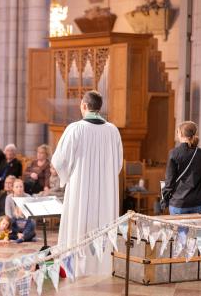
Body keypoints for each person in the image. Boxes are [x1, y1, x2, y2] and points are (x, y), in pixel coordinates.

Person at [52, 90, 122, 276]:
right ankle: (101, 266)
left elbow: (59, 161)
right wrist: (106, 178)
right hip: (105, 191)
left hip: (79, 188)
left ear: (84, 105)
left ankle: (77, 267)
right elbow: (118, 163)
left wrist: (66, 177)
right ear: (100, 107)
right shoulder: (113, 130)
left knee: (79, 223)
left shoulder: (75, 129)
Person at [161, 121, 201, 215]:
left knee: (179, 230)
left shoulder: (174, 153)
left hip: (178, 203)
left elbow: (169, 182)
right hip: (197, 203)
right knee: (195, 230)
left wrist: (164, 199)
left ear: (180, 134)